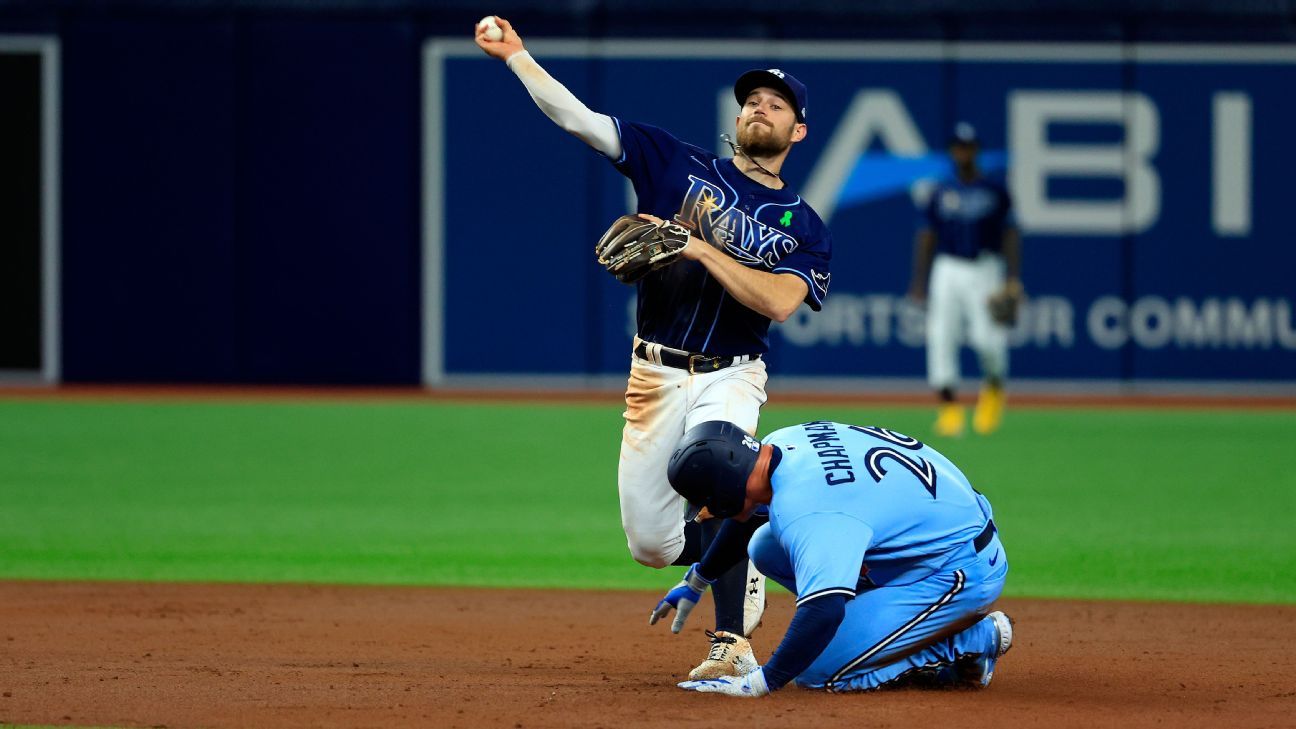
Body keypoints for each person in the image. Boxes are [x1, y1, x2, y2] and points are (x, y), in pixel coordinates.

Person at [474, 18, 834, 676]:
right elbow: (579, 119)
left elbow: (781, 302)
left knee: (715, 463)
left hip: (732, 371)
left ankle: (731, 642)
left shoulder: (802, 225)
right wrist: (517, 57)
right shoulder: (674, 161)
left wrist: (696, 245)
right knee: (649, 541)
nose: (761, 107)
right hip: (654, 371)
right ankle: (744, 547)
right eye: (753, 99)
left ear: (797, 131)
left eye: (777, 105)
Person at [651, 419, 1012, 695]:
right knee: (765, 545)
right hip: (935, 534)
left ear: (726, 489)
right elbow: (749, 516)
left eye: (709, 500)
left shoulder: (810, 513)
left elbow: (823, 611)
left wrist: (761, 683)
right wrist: (699, 579)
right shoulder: (780, 443)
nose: (706, 511)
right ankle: (878, 628)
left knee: (819, 674)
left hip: (958, 568)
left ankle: (972, 641)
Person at [908, 123, 1022, 437]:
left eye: (968, 146)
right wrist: (919, 281)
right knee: (941, 336)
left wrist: (1013, 278)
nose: (963, 152)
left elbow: (1010, 233)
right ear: (952, 152)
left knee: (988, 338)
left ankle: (994, 387)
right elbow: (927, 236)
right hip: (948, 267)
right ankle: (949, 408)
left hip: (986, 266)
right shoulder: (941, 191)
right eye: (958, 147)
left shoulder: (995, 189)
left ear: (976, 151)